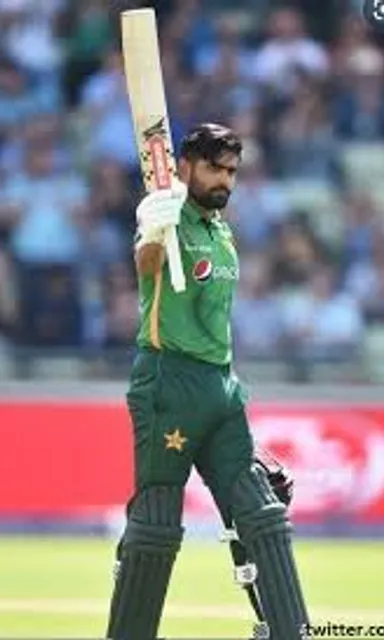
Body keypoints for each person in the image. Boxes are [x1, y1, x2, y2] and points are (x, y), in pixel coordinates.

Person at [106, 123, 309, 640]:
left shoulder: (221, 231)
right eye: (215, 168)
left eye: (232, 171)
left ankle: (293, 632)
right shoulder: (167, 218)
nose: (224, 180)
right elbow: (147, 269)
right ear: (187, 166)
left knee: (263, 512)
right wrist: (152, 229)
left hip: (220, 386)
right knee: (156, 523)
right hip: (167, 380)